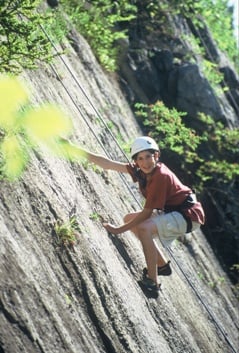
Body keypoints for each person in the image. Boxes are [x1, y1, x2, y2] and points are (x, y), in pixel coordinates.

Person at [81, 136, 205, 292]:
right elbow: (107, 164)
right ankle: (161, 265)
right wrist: (75, 150)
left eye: (148, 156)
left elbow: (147, 213)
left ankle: (153, 282)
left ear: (156, 156)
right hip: (176, 211)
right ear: (136, 162)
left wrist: (119, 230)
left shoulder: (161, 176)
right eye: (140, 158)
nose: (145, 162)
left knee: (144, 228)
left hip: (188, 215)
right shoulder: (140, 171)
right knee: (130, 219)